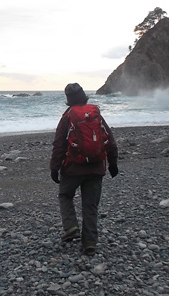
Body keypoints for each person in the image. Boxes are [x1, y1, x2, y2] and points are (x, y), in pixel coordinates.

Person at [49, 83, 118, 256]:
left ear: (68, 100)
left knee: (65, 195)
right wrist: (113, 164)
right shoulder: (95, 114)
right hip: (96, 168)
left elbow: (59, 144)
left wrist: (54, 168)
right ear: (84, 96)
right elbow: (109, 139)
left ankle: (71, 226)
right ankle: (90, 244)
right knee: (90, 206)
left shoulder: (68, 116)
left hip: (73, 168)